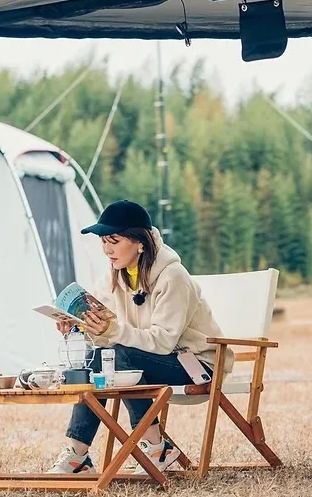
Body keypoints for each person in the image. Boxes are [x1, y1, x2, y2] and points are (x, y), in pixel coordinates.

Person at [48, 199, 232, 474]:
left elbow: (162, 341)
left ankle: (156, 448)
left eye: (114, 240)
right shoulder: (115, 274)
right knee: (99, 358)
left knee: (121, 355)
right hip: (150, 360)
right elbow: (109, 336)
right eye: (103, 242)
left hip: (196, 365)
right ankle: (78, 455)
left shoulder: (173, 277)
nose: (107, 249)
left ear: (139, 242)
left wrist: (112, 332)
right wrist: (81, 327)